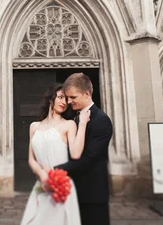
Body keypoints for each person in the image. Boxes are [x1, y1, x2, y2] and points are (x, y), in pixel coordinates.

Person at [20, 83, 90, 225]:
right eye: (60, 97)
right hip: (42, 185)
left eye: (65, 99)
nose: (64, 102)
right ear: (51, 99)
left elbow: (75, 154)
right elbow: (31, 159)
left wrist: (82, 124)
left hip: (62, 187)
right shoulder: (34, 126)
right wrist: (42, 175)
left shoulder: (69, 124)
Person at [55, 73, 113, 225]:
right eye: (67, 97)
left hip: (92, 195)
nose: (68, 101)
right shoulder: (73, 116)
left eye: (73, 97)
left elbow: (88, 159)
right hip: (72, 193)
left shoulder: (101, 120)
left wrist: (57, 170)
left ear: (86, 94)